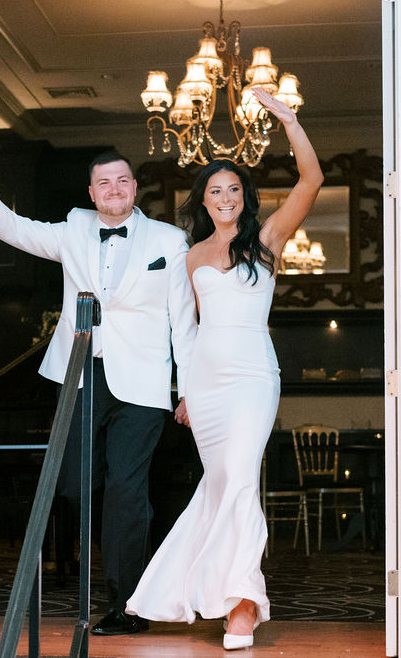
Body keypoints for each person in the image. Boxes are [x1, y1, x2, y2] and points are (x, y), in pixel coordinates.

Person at [0, 151, 197, 636]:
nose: (114, 188)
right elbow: (18, 229)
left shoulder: (169, 241)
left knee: (127, 494)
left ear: (134, 187)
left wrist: (188, 389)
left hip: (143, 385)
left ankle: (127, 606)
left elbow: (183, 321)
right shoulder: (72, 231)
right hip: (81, 376)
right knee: (72, 486)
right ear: (91, 193)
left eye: (122, 180)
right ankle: (126, 534)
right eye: (103, 183)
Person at [124, 88, 323, 651]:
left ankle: (241, 604)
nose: (226, 197)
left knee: (238, 479)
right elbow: (183, 334)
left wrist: (288, 119)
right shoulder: (189, 258)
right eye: (216, 190)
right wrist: (185, 392)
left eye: (234, 189)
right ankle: (215, 593)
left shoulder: (266, 241)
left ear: (246, 196)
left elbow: (310, 182)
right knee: (222, 485)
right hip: (207, 385)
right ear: (203, 201)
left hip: (253, 377)